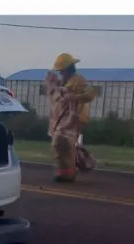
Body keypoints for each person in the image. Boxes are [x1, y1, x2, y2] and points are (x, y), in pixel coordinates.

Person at [42, 53, 98, 182]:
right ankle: (65, 171)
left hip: (74, 119)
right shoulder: (62, 82)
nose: (61, 73)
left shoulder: (79, 80)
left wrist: (75, 98)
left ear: (69, 69)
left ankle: (70, 172)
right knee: (61, 146)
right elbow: (57, 97)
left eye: (62, 70)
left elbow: (90, 93)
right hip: (62, 120)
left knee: (63, 143)